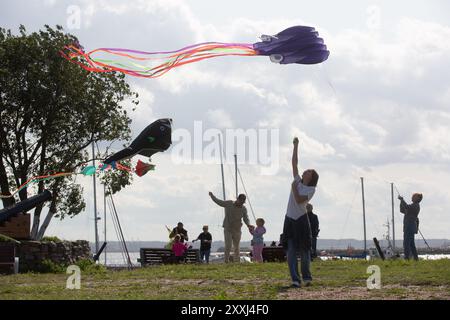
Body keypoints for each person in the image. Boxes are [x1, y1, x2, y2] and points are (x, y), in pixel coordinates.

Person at [283, 137, 319, 288]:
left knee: (304, 251)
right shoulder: (297, 179)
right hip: (290, 219)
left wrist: (292, 187)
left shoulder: (311, 189)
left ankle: (307, 277)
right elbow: (294, 163)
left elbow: (298, 200)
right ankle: (295, 279)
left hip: (302, 220)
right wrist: (296, 146)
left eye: (309, 172)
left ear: (311, 178)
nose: (306, 171)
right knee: (291, 251)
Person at [209, 192, 252, 263]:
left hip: (237, 229)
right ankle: (226, 260)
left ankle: (237, 261)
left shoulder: (244, 208)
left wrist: (248, 225)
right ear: (237, 199)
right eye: (241, 201)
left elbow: (246, 218)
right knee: (228, 245)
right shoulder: (229, 203)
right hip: (228, 228)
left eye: (243, 202)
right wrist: (212, 196)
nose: (242, 203)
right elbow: (219, 202)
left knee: (236, 246)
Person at [398, 193, 423, 261]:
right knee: (411, 244)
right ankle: (416, 258)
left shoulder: (415, 205)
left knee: (406, 243)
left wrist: (402, 200)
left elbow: (406, 207)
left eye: (413, 196)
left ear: (417, 198)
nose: (412, 197)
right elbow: (402, 210)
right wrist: (401, 201)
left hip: (409, 226)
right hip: (409, 226)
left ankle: (407, 258)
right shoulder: (413, 206)